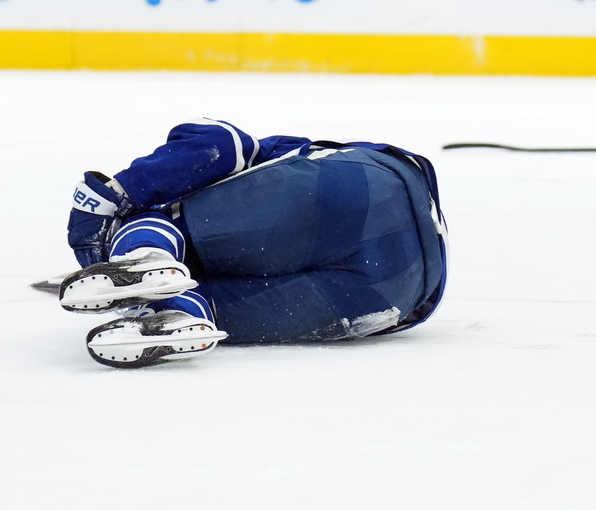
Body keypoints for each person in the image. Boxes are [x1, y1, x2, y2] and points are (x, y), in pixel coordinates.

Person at [60, 118, 448, 369]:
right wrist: (120, 190)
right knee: (204, 304)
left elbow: (221, 142)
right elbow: (222, 140)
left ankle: (145, 254)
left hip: (359, 200)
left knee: (154, 217)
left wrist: (116, 195)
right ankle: (175, 316)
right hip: (398, 292)